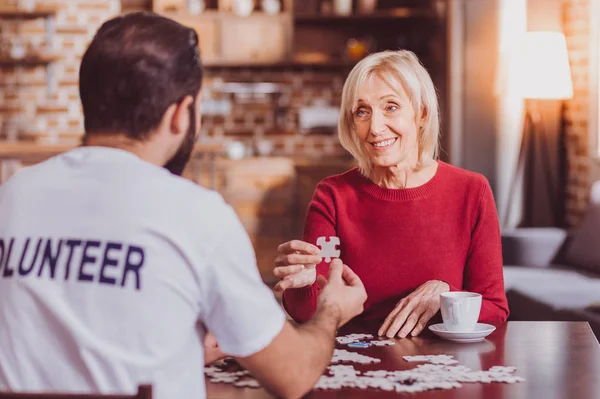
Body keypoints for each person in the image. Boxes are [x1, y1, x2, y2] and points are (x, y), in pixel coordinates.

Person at [0, 12, 367, 399]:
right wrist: (331, 311)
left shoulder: (11, 196)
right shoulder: (196, 215)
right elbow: (293, 375)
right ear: (180, 115)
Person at [274, 50, 509, 339]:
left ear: (421, 114)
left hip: (444, 368)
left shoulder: (472, 192)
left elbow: (495, 309)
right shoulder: (333, 196)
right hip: (354, 366)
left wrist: (447, 296)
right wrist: (303, 285)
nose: (375, 127)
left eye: (391, 107)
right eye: (362, 111)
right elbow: (309, 312)